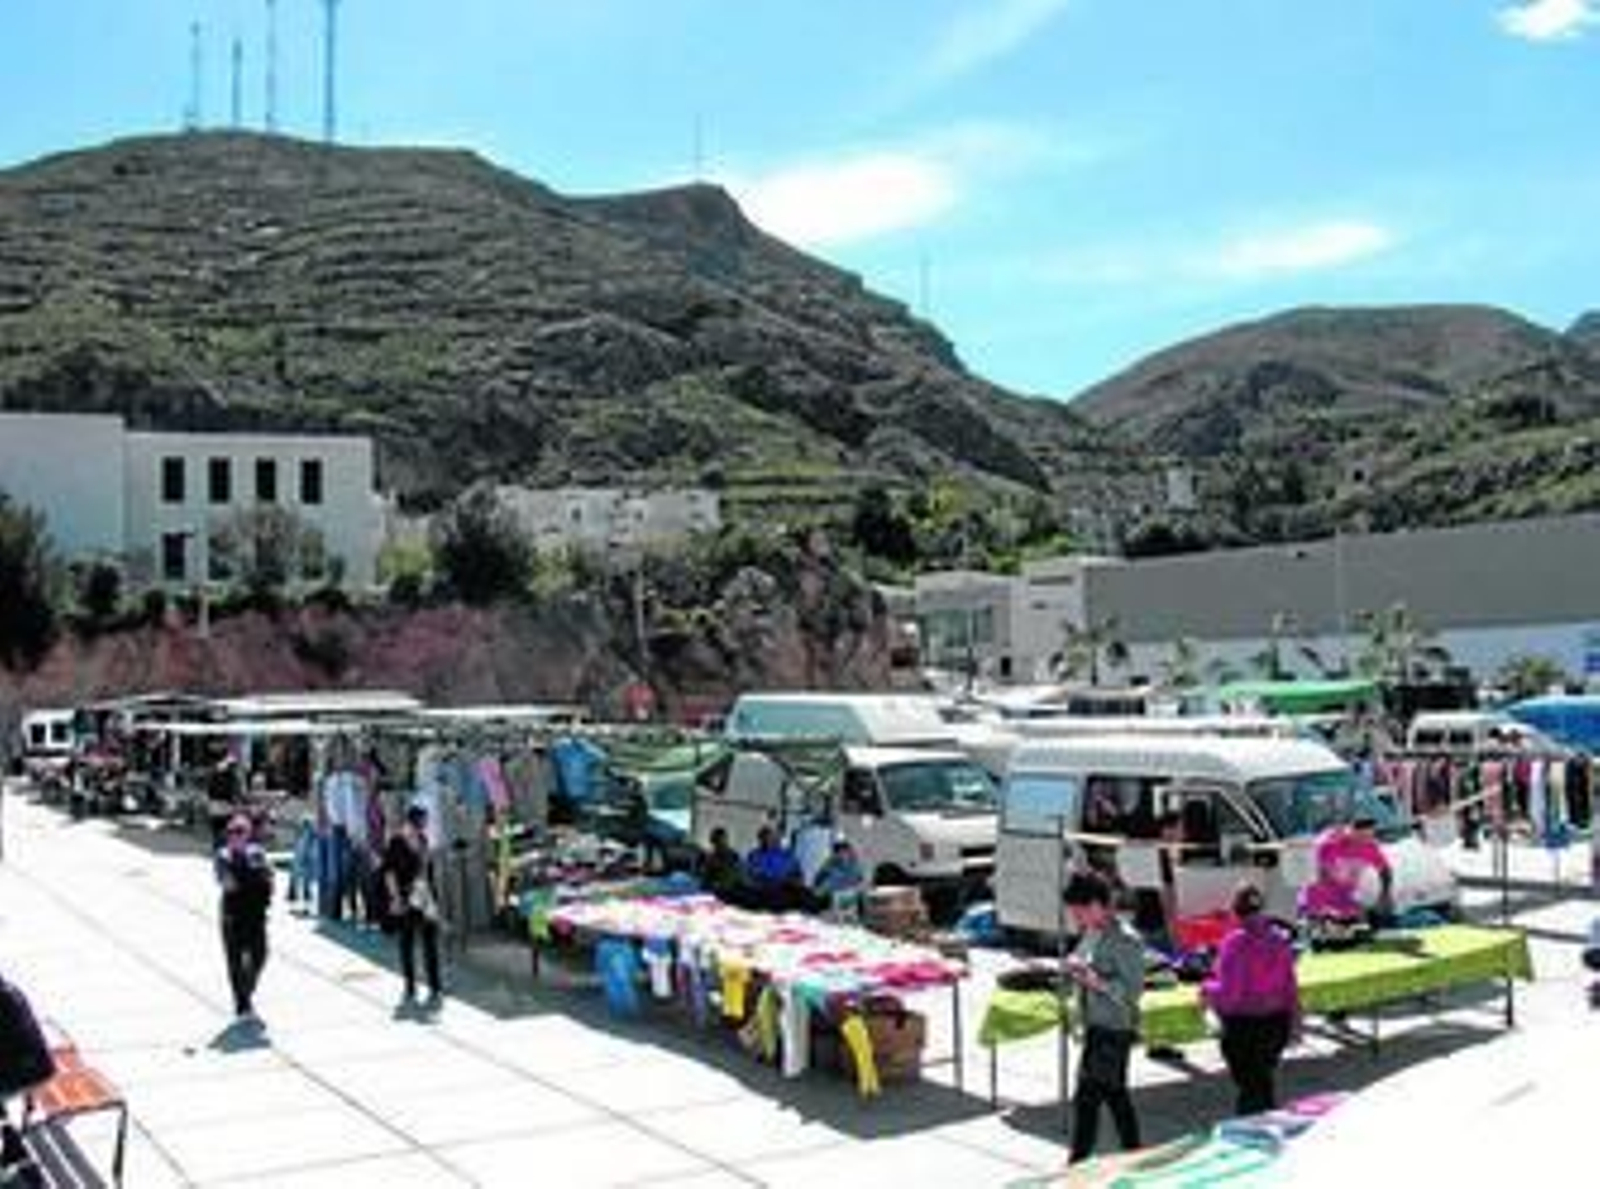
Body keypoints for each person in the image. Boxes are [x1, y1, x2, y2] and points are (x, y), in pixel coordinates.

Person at [1062, 869, 1144, 1164]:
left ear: (1097, 905)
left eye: (1079, 911)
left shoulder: (1127, 940)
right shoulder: (1092, 932)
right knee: (1112, 1095)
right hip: (1096, 1026)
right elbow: (1081, 958)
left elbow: (1132, 992)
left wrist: (1095, 981)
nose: (1076, 918)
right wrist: (1073, 966)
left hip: (1114, 1029)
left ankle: (1077, 1164)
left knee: (1089, 1099)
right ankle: (1134, 1154)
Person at [1201, 884, 1301, 1115]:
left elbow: (1230, 993)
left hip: (1244, 1027)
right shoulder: (1279, 940)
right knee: (1263, 1084)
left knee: (1250, 1091)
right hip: (1276, 1023)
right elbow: (1290, 987)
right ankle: (1269, 1125)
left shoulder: (1234, 943)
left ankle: (1252, 1130)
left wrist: (1206, 990)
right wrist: (1296, 1021)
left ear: (1235, 912)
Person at [215, 812, 273, 1021]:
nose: (235, 836)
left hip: (256, 915)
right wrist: (254, 877)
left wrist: (253, 877)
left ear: (248, 834)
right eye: (231, 832)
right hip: (232, 915)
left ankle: (246, 991)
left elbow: (268, 880)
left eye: (240, 831)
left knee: (260, 955)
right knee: (235, 961)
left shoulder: (258, 853)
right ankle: (242, 1005)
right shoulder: (223, 856)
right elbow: (229, 884)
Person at [384, 804, 442, 1006]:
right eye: (423, 821)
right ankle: (410, 985)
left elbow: (427, 871)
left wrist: (433, 899)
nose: (425, 825)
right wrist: (395, 898)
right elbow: (389, 873)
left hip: (424, 895)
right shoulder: (396, 841)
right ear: (413, 821)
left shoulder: (423, 840)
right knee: (406, 943)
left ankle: (435, 985)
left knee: (430, 941)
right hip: (405, 896)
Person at [1298, 816, 1393, 927]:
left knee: (1357, 928)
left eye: (1369, 835)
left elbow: (1384, 870)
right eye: (1361, 835)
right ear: (1351, 830)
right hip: (1317, 898)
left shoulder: (1370, 847)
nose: (1365, 840)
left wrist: (1385, 894)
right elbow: (1319, 871)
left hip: (1345, 898)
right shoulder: (1329, 842)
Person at [744, 824, 804, 911]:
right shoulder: (755, 855)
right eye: (766, 838)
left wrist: (794, 879)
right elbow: (752, 874)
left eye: (773, 838)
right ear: (761, 840)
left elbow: (797, 872)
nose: (772, 841)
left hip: (786, 888)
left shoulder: (786, 855)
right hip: (765, 890)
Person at [812, 838, 865, 916]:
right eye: (839, 851)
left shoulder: (855, 865)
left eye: (844, 850)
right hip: (832, 896)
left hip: (849, 896)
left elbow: (860, 880)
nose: (842, 854)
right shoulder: (829, 864)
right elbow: (817, 881)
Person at [699, 826, 745, 902]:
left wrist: (720, 884)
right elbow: (705, 876)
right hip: (712, 890)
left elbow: (737, 875)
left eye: (720, 840)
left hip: (729, 891)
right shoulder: (710, 857)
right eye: (715, 841)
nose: (718, 844)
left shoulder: (733, 855)